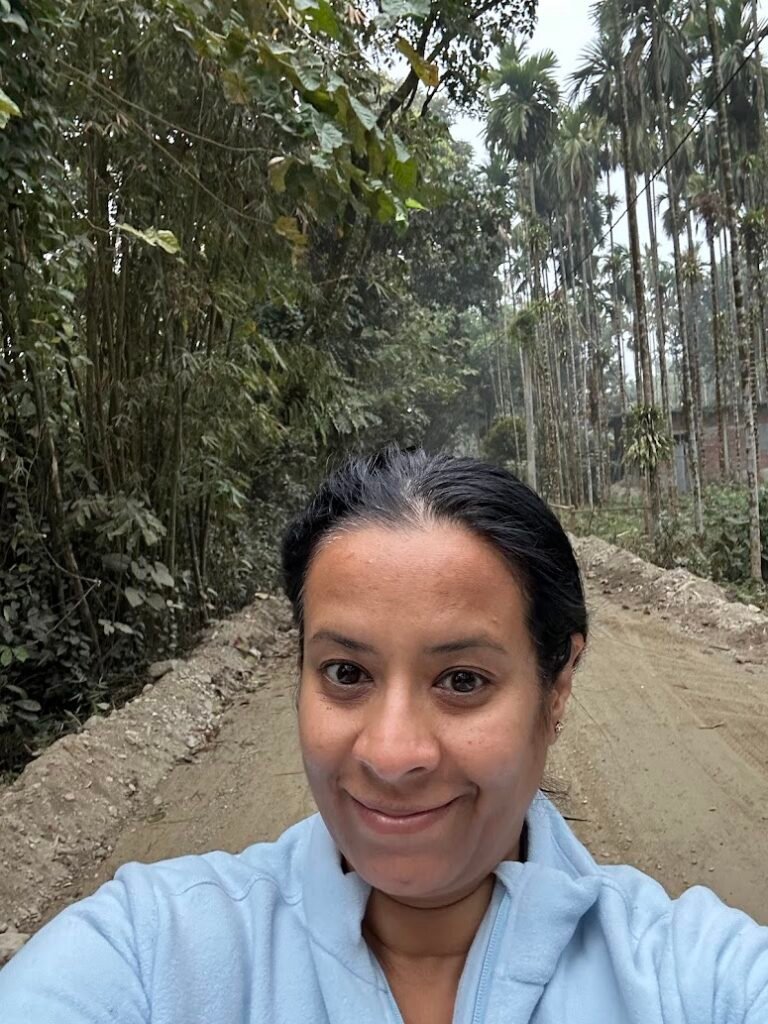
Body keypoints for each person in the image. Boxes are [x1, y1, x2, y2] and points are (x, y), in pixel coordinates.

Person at [1, 447, 766, 1023]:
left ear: (557, 686)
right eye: (345, 673)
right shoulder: (150, 951)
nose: (393, 754)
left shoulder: (695, 980)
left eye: (462, 681)